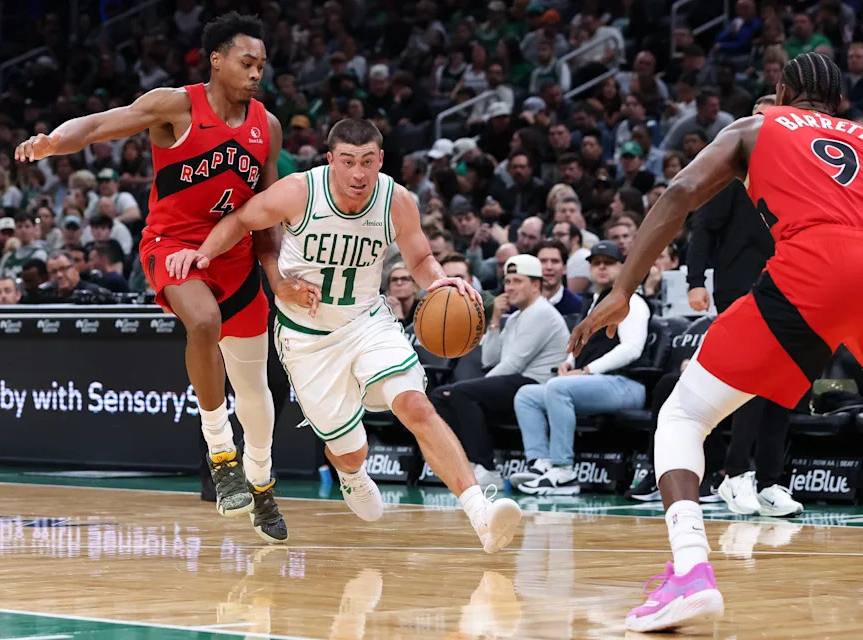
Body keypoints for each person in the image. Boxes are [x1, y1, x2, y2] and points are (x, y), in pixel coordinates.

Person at [568, 53, 863, 632]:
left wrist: (625, 287)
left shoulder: (758, 126)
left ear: (781, 91)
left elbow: (679, 194)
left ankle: (691, 574)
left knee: (682, 415)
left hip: (811, 269)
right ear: (838, 104)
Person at [165, 118, 523, 554]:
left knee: (415, 406)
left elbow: (422, 257)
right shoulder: (299, 191)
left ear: (381, 161)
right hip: (306, 337)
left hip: (366, 322)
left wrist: (441, 282)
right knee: (351, 453)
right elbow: (242, 221)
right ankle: (351, 476)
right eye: (349, 162)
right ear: (330, 160)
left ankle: (481, 514)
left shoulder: (397, 200)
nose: (358, 173)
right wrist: (202, 255)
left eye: (368, 162)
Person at [15, 13, 292, 542]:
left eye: (262, 64)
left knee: (255, 392)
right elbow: (99, 124)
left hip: (233, 260)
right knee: (203, 321)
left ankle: (259, 482)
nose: (257, 72)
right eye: (246, 62)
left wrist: (274, 275)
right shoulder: (176, 106)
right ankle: (219, 450)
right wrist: (53, 140)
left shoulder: (268, 127)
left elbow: (264, 215)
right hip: (173, 247)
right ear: (217, 60)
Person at [685, 95, 801, 518]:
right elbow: (702, 227)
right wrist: (696, 281)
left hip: (791, 290)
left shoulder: (797, 174)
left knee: (784, 387)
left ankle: (770, 481)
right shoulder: (735, 170)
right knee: (753, 384)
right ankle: (735, 475)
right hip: (741, 288)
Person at [512, 241, 649, 496]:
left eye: (609, 263)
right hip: (596, 384)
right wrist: (570, 363)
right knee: (527, 396)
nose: (601, 268)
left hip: (627, 384)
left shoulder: (631, 302)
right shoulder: (592, 301)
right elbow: (583, 344)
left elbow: (632, 349)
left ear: (623, 268)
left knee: (557, 388)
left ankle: (564, 471)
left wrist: (586, 371)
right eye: (596, 263)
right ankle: (541, 465)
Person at [432, 254, 569, 488]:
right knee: (439, 396)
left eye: (518, 281)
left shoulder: (542, 313)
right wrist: (495, 320)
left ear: (536, 284)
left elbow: (513, 365)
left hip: (537, 384)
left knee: (461, 393)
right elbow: (490, 358)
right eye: (507, 282)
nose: (510, 288)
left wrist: (467, 388)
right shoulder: (516, 316)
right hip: (515, 381)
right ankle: (468, 462)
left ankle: (486, 466)